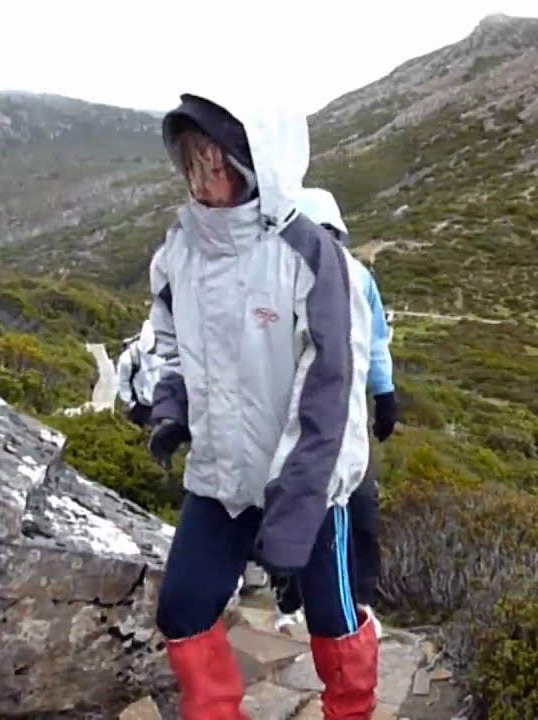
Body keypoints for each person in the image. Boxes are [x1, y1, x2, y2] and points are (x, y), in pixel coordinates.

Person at [146, 91, 378, 720]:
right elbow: (167, 341)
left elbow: (328, 387)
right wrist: (169, 404)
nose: (202, 180)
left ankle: (350, 712)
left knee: (330, 615)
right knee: (184, 609)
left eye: (216, 163)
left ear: (254, 164)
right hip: (221, 475)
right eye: (192, 163)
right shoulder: (179, 252)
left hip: (308, 480)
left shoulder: (308, 255)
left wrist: (293, 506)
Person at [272, 188, 396, 641]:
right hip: (287, 416)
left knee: (361, 508)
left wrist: (385, 393)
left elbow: (376, 339)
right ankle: (287, 602)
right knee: (287, 504)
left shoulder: (359, 278)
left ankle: (361, 603)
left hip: (348, 418)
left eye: (330, 233)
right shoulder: (278, 277)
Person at [115, 318, 161, 426]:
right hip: (142, 407)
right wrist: (130, 403)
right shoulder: (129, 359)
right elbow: (122, 383)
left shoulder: (165, 351)